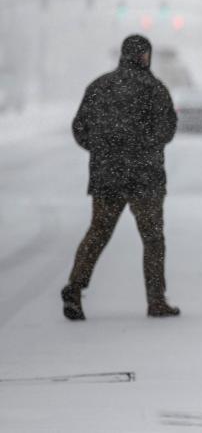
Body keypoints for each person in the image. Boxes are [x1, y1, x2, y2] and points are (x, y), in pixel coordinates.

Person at [61, 34, 180, 320]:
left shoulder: (99, 87)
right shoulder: (154, 88)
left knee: (98, 232)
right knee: (152, 239)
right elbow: (168, 129)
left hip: (107, 176)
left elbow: (80, 128)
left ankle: (75, 288)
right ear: (145, 56)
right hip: (145, 176)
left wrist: (103, 150)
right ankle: (155, 300)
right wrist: (144, 146)